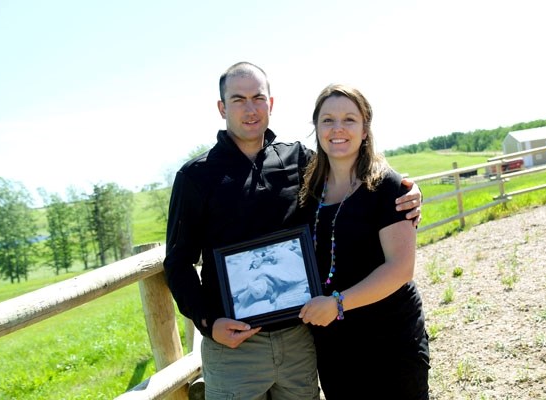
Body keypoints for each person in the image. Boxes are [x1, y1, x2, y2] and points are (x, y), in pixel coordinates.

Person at [163, 62, 422, 399]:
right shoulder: (195, 177)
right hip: (236, 345)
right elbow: (178, 264)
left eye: (258, 97)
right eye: (238, 99)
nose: (250, 108)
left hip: (300, 336)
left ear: (271, 104)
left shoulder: (300, 160)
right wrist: (209, 323)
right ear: (222, 108)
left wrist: (408, 190)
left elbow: (352, 168)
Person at [298, 84, 430, 399]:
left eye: (349, 119)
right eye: (327, 120)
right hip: (336, 344)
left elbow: (400, 269)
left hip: (391, 338)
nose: (337, 128)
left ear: (365, 128)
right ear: (316, 128)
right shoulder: (308, 192)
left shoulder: (389, 188)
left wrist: (337, 304)